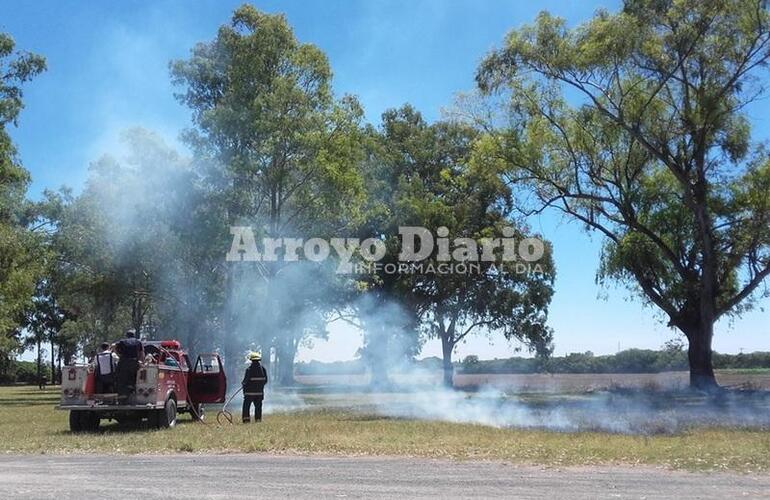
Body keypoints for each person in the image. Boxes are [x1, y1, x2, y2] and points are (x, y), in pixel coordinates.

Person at [115, 329, 144, 400]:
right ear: (133, 335)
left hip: (124, 362)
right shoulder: (138, 342)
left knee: (121, 378)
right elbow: (142, 352)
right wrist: (140, 361)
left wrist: (119, 355)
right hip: (134, 362)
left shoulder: (122, 342)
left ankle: (122, 394)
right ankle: (133, 390)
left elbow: (115, 348)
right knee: (134, 377)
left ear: (127, 336)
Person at [242, 352, 268, 423]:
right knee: (258, 407)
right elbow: (265, 381)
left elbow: (245, 381)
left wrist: (243, 384)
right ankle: (258, 420)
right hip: (259, 393)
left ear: (251, 360)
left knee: (246, 407)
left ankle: (246, 420)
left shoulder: (249, 369)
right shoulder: (263, 369)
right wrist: (259, 386)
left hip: (249, 393)